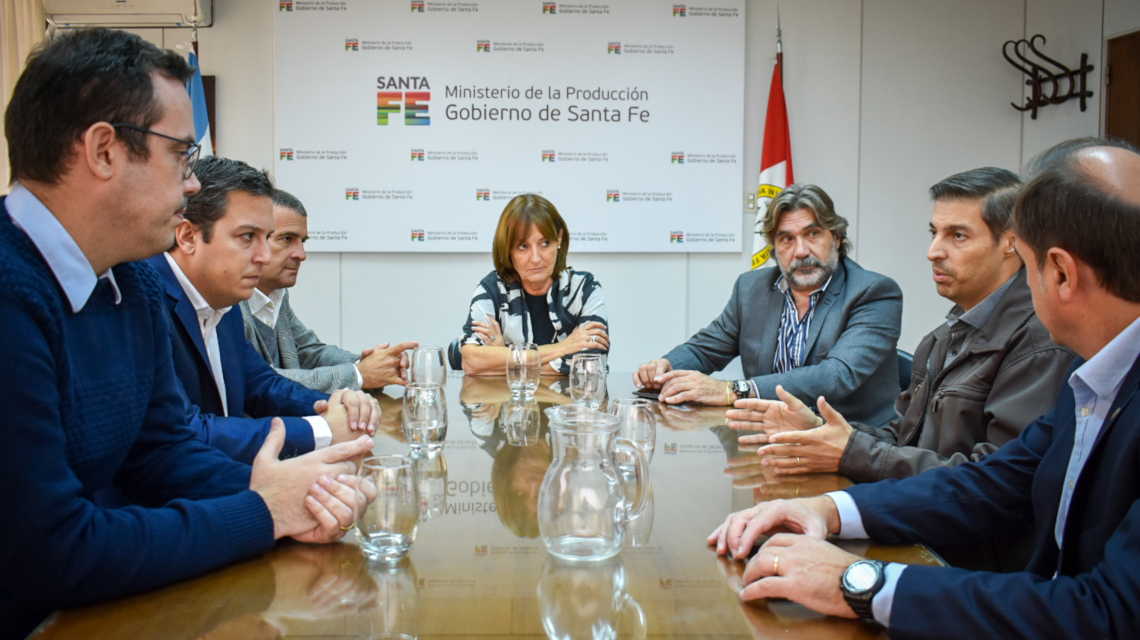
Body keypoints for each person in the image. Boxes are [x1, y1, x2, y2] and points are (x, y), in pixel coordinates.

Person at [0, 28, 372, 639]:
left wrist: (298, 494)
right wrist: (261, 511)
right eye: (181, 156)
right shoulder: (12, 293)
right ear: (103, 151)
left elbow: (162, 453)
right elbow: (53, 550)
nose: (193, 183)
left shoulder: (130, 280)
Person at [709, 137, 1140, 638]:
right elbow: (998, 482)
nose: (933, 251)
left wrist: (861, 582)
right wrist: (828, 509)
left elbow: (1109, 615)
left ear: (1060, 272)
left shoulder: (1060, 355)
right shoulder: (1093, 377)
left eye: (1028, 264)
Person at [728, 168, 1075, 571]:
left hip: (966, 565)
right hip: (918, 528)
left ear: (1011, 243)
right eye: (934, 233)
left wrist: (849, 454)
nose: (933, 251)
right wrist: (820, 432)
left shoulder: (1037, 342)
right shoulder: (942, 336)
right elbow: (902, 435)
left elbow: (994, 485)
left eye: (957, 236)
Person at [145, 156, 380, 464]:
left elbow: (262, 385)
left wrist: (340, 406)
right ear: (189, 237)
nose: (264, 256)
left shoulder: (222, 298)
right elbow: (185, 432)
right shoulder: (144, 299)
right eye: (248, 237)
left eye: (266, 238)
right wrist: (321, 429)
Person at [634, 184, 902, 428]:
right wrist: (666, 368)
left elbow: (835, 375)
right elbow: (706, 349)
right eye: (787, 239)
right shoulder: (752, 289)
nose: (801, 251)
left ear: (836, 238)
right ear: (775, 248)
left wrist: (732, 391)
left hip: (853, 444)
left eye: (813, 234)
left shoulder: (874, 293)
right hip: (769, 436)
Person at [239, 189, 417, 393]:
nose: (301, 254)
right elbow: (258, 381)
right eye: (287, 239)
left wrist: (372, 363)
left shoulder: (277, 294)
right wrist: (358, 374)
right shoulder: (228, 305)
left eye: (302, 242)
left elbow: (308, 351)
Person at [457, 194, 608, 375]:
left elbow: (591, 366)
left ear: (559, 238)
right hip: (508, 396)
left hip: (569, 396)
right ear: (507, 249)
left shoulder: (584, 288)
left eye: (545, 243)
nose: (536, 258)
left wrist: (505, 358)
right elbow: (471, 362)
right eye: (523, 246)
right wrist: (562, 348)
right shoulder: (492, 290)